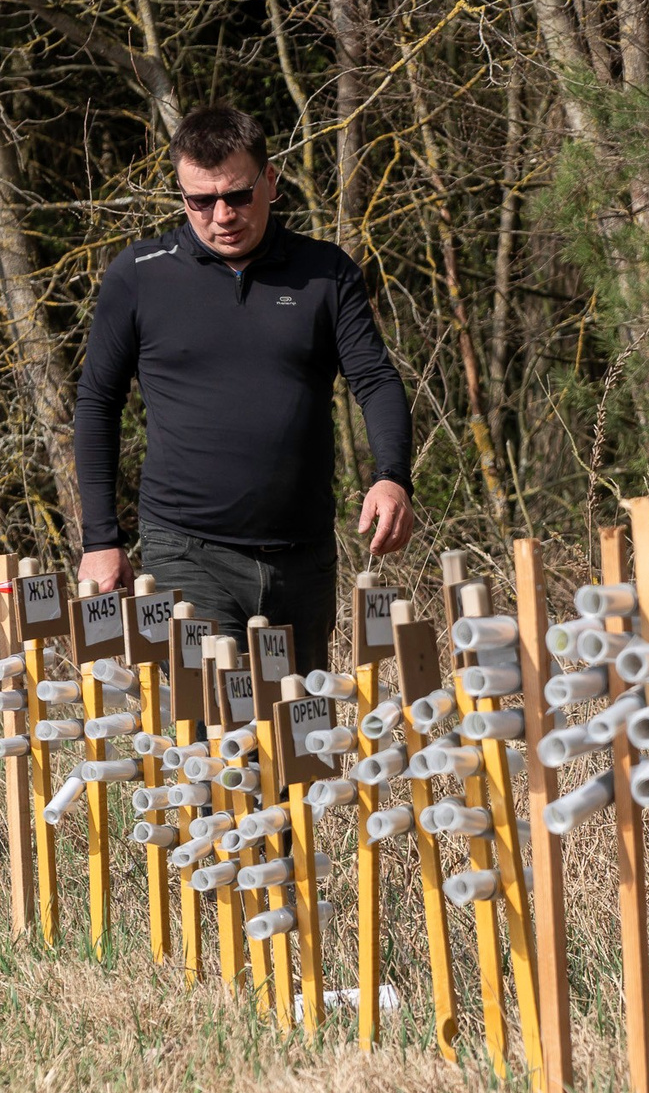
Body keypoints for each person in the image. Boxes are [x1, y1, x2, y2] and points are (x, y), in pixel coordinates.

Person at [73, 104, 414, 671]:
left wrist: (391, 477)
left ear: (270, 181)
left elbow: (375, 379)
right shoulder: (139, 275)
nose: (221, 215)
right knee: (216, 740)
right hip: (186, 552)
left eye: (237, 195)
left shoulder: (325, 273)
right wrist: (100, 539)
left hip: (302, 558)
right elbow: (97, 404)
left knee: (300, 742)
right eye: (199, 201)